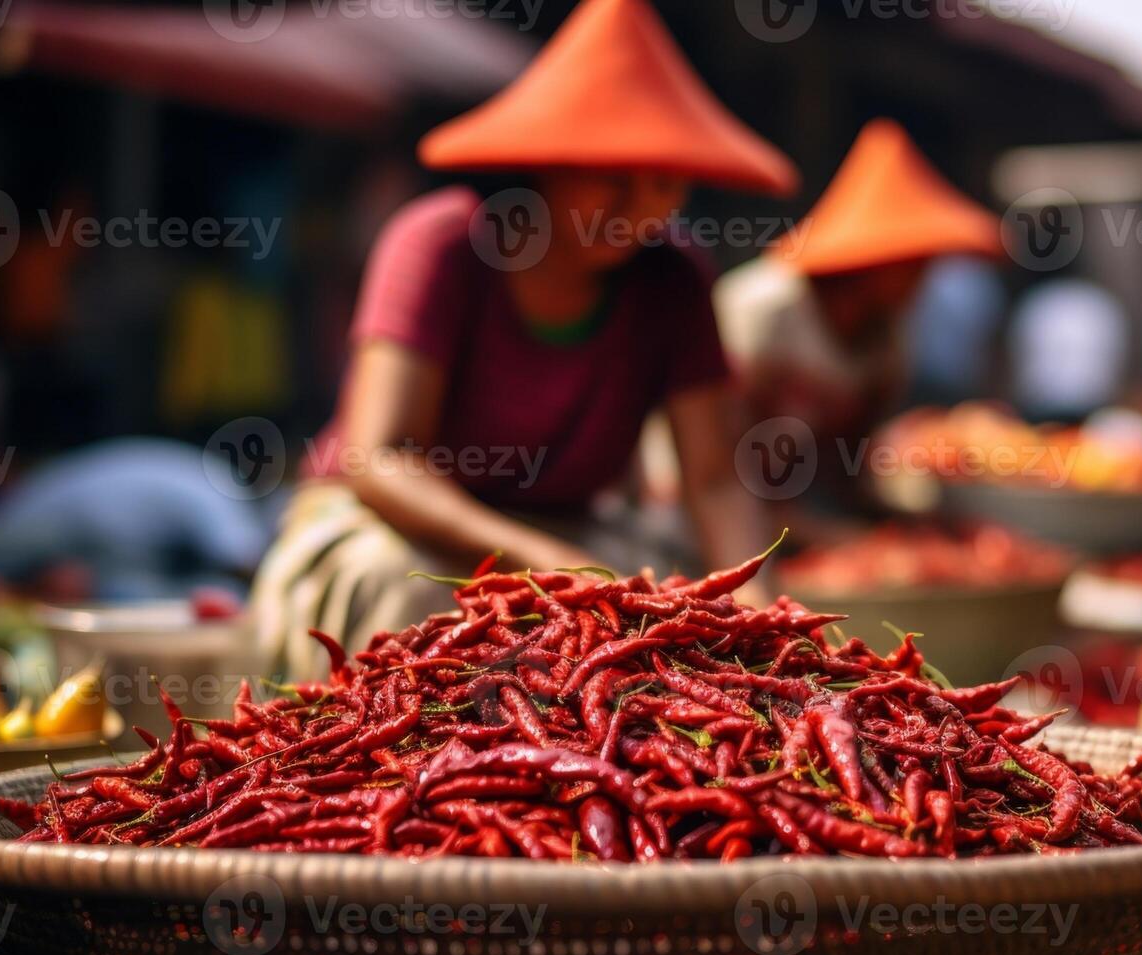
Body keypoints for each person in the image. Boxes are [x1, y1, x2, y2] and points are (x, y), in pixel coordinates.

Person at [251, 0, 795, 678]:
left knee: (682, 622)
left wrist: (765, 615)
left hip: (566, 530)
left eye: (663, 181)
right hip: (395, 529)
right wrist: (551, 566)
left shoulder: (675, 280)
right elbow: (380, 458)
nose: (640, 206)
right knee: (411, 599)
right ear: (546, 162)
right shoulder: (442, 243)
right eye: (610, 176)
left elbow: (713, 479)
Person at [714, 119, 1001, 523]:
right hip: (711, 515)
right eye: (913, 266)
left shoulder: (887, 337)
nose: (923, 282)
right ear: (875, 260)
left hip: (797, 514)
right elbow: (713, 468)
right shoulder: (766, 311)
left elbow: (853, 467)